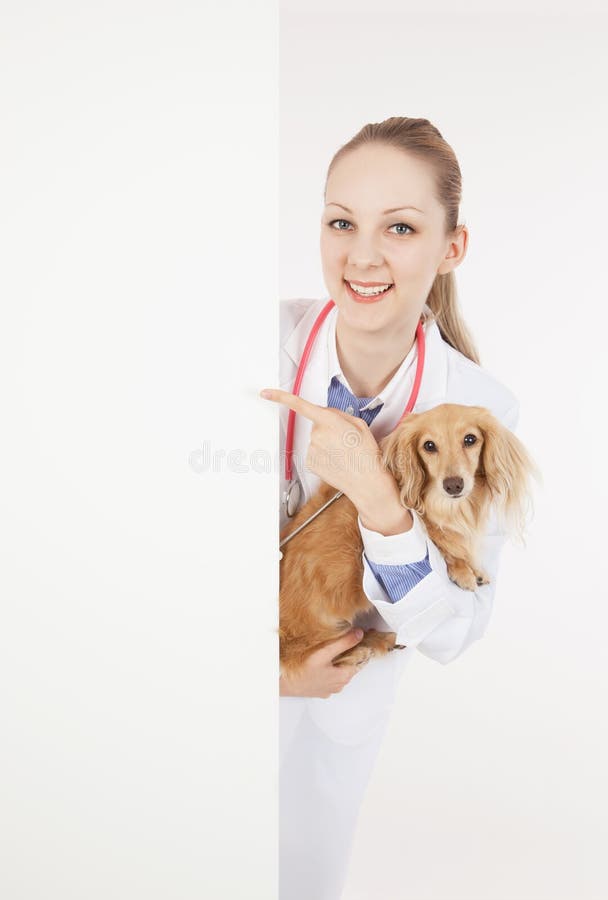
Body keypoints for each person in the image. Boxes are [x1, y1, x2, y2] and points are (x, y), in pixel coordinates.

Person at [260, 116, 519, 900]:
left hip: (341, 705)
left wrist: (381, 501)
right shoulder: (248, 349)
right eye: (342, 222)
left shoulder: (480, 412)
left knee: (299, 876)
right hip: (195, 694)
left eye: (399, 228)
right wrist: (262, 674)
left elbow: (452, 629)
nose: (361, 256)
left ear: (451, 249)